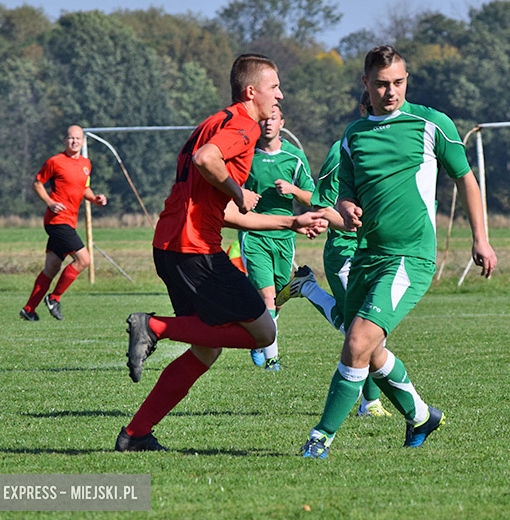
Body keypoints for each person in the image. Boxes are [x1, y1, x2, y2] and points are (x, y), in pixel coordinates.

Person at [115, 53, 326, 452]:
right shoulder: (243, 126)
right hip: (197, 251)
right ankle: (154, 327)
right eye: (274, 86)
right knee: (264, 332)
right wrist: (238, 189)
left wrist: (290, 222)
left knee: (207, 348)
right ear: (251, 91)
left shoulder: (212, 123)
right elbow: (207, 162)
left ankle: (135, 434)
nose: (280, 95)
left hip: (173, 246)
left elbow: (226, 211)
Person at [300, 45, 497, 459]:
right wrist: (344, 207)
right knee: (370, 353)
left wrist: (480, 238)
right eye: (382, 84)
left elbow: (466, 179)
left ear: (406, 80)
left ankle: (321, 437)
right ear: (365, 85)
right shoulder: (353, 136)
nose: (391, 92)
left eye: (398, 83)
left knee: (356, 340)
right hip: (367, 256)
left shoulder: (431, 123)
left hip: (411, 256)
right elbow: (346, 199)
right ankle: (421, 415)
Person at [276, 93, 392, 417]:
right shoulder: (342, 151)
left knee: (371, 327)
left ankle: (307, 287)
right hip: (344, 251)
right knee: (360, 330)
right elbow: (321, 205)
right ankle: (370, 404)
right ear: (361, 110)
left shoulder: (390, 150)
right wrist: (355, 223)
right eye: (372, 110)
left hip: (376, 252)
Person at [238, 106, 314, 371]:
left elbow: (313, 198)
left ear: (282, 122)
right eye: (264, 119)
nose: (268, 123)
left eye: (274, 118)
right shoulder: (246, 155)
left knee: (280, 297)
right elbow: (230, 186)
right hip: (254, 233)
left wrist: (293, 189)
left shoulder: (294, 157)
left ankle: (260, 337)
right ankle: (272, 359)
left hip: (284, 236)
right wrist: (241, 196)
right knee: (268, 296)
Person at [19, 125, 108, 322]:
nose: (74, 141)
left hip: (69, 222)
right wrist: (50, 203)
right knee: (83, 260)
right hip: (57, 221)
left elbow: (85, 188)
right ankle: (54, 298)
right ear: (65, 141)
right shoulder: (55, 161)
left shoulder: (86, 163)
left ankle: (28, 309)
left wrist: (95, 199)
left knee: (51, 267)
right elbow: (37, 183)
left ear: (83, 141)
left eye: (77, 138)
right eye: (70, 138)